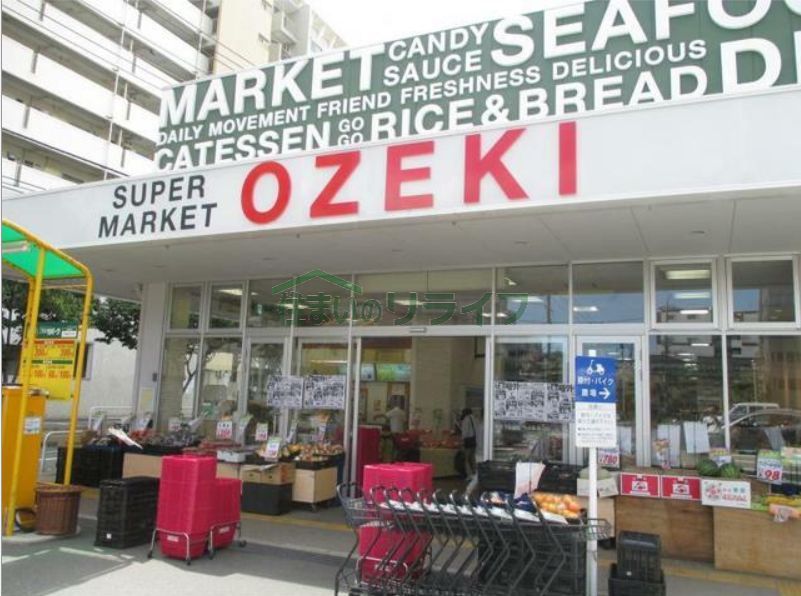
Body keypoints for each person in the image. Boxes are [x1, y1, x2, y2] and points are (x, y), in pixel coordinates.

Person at [460, 408, 478, 478]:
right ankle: (475, 473)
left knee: (466, 459)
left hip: (468, 440)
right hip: (474, 440)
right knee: (472, 458)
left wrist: (462, 441)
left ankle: (469, 474)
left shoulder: (466, 419)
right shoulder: (474, 418)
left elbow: (465, 432)